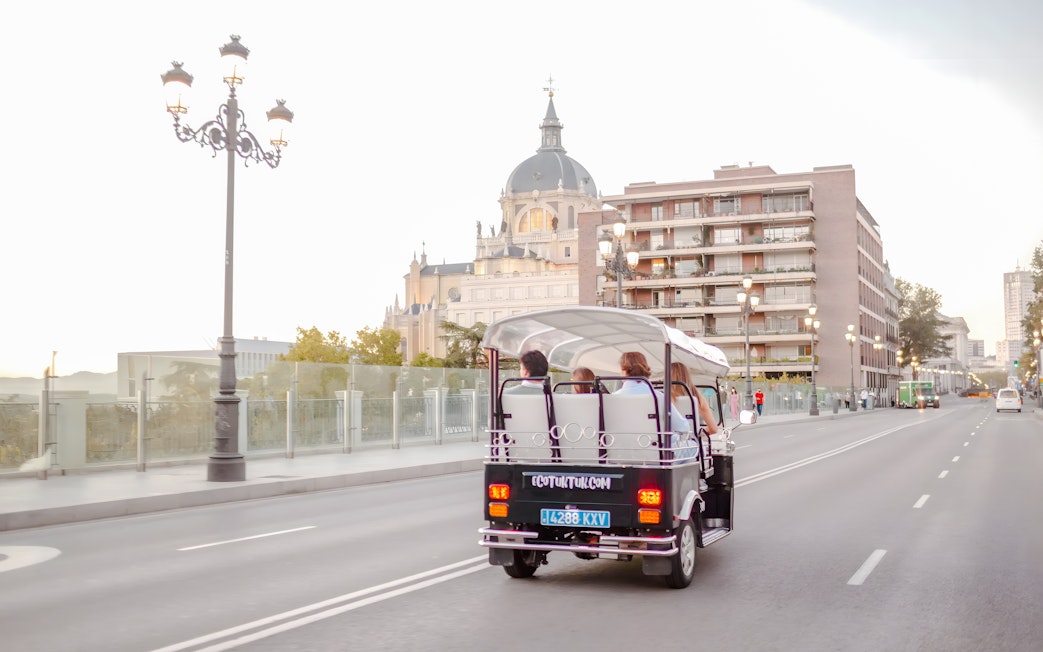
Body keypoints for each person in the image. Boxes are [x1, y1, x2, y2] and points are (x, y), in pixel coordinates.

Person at [614, 352, 690, 436]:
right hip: (652, 446)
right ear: (645, 370)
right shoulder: (658, 397)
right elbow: (682, 427)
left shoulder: (612, 398)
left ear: (624, 371)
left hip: (619, 447)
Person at [669, 362, 718, 435]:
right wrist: (697, 433)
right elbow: (713, 429)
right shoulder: (698, 398)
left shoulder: (663, 398)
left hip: (669, 443)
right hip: (691, 442)